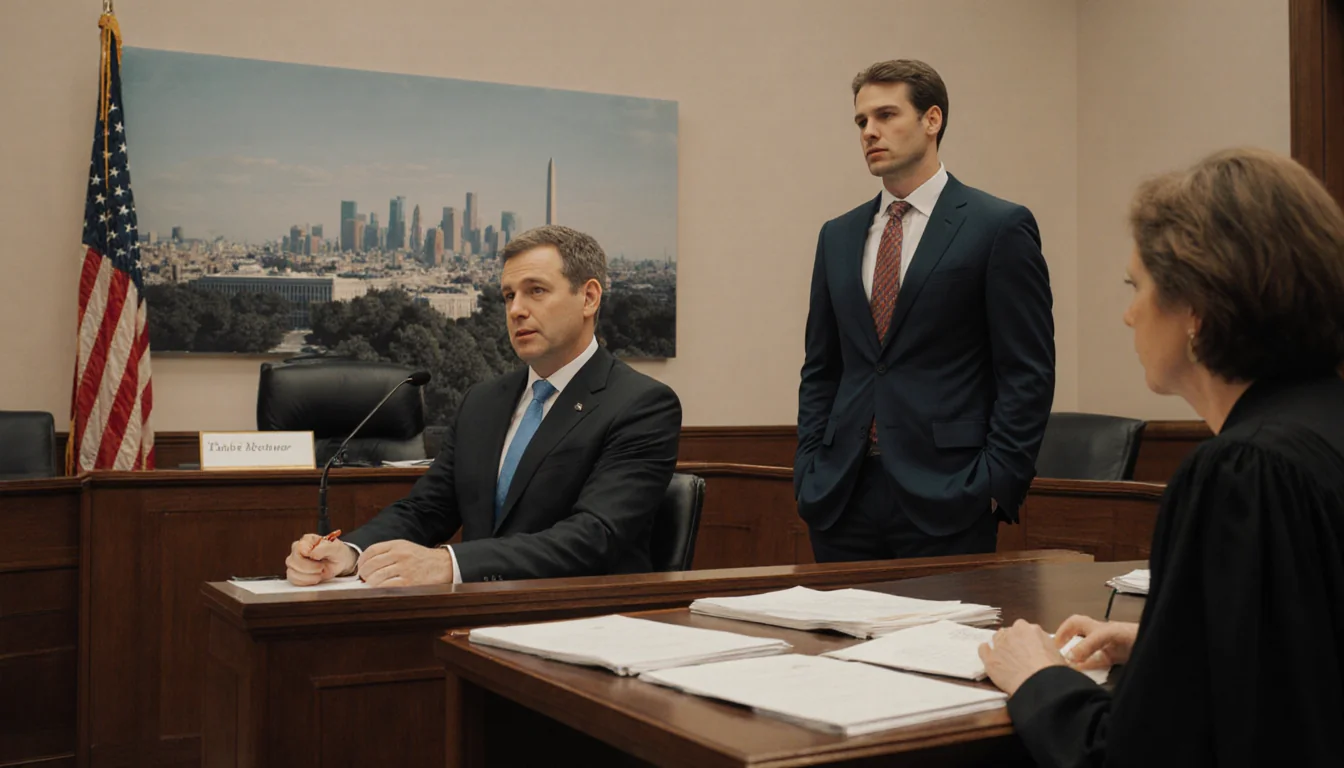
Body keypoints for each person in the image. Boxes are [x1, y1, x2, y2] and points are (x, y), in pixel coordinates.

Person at [979, 148, 1344, 767]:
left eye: (1137, 285)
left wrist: (1039, 678)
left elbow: (1141, 755)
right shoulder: (1321, 429)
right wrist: (1164, 643)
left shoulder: (1243, 473)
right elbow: (1302, 658)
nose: (1128, 313)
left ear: (1196, 307)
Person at [284, 225, 682, 586]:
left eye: (536, 291)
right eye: (509, 295)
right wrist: (350, 553)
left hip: (582, 623)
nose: (515, 310)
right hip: (475, 623)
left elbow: (594, 536)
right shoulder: (484, 401)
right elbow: (427, 509)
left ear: (589, 297)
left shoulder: (641, 405)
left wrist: (449, 564)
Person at [795, 59, 1055, 562]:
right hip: (840, 494)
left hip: (951, 493)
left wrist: (997, 481)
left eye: (886, 115)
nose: (870, 131)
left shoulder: (997, 225)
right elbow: (822, 366)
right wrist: (809, 467)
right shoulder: (839, 235)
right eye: (861, 121)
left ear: (932, 119)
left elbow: (1027, 370)